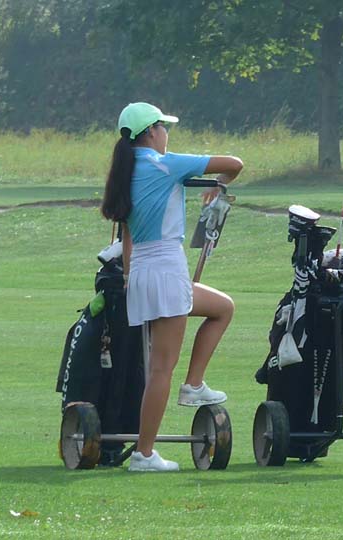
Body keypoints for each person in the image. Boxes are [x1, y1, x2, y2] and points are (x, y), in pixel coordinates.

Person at [101, 102, 242, 472]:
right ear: (151, 131)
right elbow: (235, 164)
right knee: (162, 370)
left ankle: (194, 383)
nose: (167, 135)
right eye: (164, 128)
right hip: (166, 268)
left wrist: (132, 279)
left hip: (142, 274)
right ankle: (144, 454)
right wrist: (218, 186)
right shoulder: (167, 164)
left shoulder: (125, 172)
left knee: (222, 307)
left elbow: (127, 237)